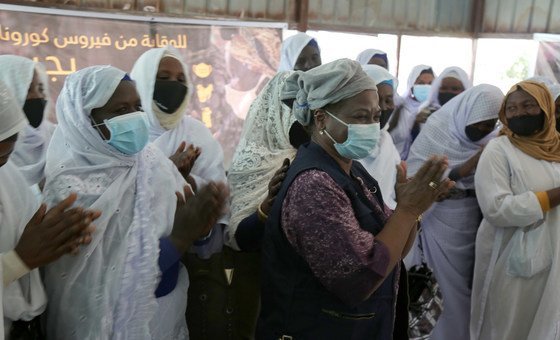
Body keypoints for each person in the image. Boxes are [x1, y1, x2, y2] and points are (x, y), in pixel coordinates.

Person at [257, 59, 453, 338]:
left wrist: (414, 209)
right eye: (360, 117)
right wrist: (407, 210)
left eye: (375, 116)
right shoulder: (314, 185)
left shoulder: (351, 169)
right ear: (322, 118)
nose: (372, 125)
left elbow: (393, 252)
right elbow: (359, 279)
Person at [41, 65, 227, 339]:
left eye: (137, 106)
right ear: (85, 121)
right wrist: (180, 238)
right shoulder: (69, 189)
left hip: (166, 318)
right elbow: (99, 287)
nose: (134, 117)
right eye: (119, 110)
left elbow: (189, 235)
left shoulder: (153, 163)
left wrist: (200, 229)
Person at [0, 80, 97, 339]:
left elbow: (30, 229)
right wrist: (16, 262)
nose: (7, 154)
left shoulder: (6, 175)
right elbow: (22, 255)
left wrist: (59, 233)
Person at [407, 84, 503, 340]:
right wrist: (468, 166)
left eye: (490, 124)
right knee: (439, 285)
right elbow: (417, 179)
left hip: (472, 219)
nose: (484, 130)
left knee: (465, 289)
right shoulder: (439, 130)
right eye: (479, 123)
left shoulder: (495, 141)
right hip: (438, 218)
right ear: (466, 114)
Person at [470, 80, 560, 340]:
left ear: (545, 108)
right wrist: (555, 196)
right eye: (512, 108)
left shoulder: (557, 147)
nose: (519, 113)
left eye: (529, 105)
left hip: (555, 254)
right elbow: (497, 208)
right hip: (511, 256)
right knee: (508, 325)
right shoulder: (499, 150)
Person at [131, 46, 227, 256]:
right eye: (163, 77)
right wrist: (168, 172)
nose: (174, 85)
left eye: (181, 79)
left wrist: (190, 182)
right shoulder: (126, 133)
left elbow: (217, 197)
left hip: (190, 261)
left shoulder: (197, 133)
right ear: (142, 82)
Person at [0, 55, 56, 189]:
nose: (38, 96)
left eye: (41, 89)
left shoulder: (57, 137)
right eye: (28, 89)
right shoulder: (3, 145)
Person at [359, 64, 401, 209]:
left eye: (388, 100)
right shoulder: (349, 143)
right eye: (376, 100)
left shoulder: (386, 140)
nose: (383, 108)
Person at [389, 64, 435, 159]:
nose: (426, 86)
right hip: (395, 163)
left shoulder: (437, 111)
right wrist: (413, 124)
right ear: (412, 84)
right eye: (421, 83)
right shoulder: (398, 107)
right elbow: (389, 138)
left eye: (431, 83)